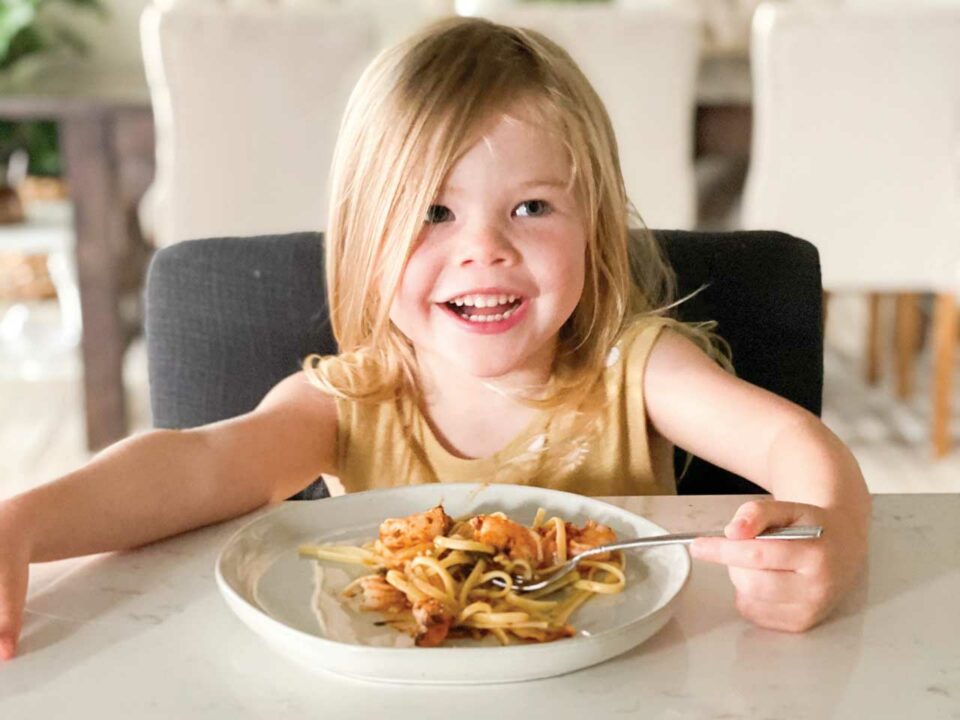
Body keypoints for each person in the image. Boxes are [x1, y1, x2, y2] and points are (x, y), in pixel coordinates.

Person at [0, 17, 869, 661]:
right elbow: (195, 465)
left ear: (595, 228)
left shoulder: (633, 368)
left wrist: (829, 536)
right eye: (432, 212)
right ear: (364, 236)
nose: (484, 248)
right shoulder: (349, 400)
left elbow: (792, 445)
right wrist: (24, 524)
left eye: (532, 206)